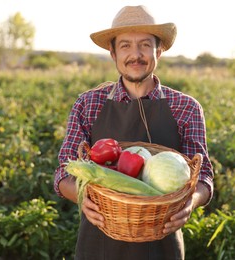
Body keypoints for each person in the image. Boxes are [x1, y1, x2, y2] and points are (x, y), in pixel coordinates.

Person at [54, 5, 214, 260]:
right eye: (126, 45)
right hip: (99, 246)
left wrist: (190, 203)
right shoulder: (88, 105)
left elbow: (203, 176)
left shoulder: (186, 107)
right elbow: (63, 171)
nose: (135, 54)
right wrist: (82, 196)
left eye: (144, 45)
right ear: (113, 52)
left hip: (163, 246)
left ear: (158, 51)